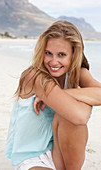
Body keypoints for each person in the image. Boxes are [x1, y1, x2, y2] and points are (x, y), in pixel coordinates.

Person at [5, 20, 101, 170]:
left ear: (74, 55)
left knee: (69, 114)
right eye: (48, 53)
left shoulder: (77, 74)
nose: (53, 62)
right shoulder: (35, 76)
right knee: (71, 111)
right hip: (32, 157)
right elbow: (81, 115)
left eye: (61, 55)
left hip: (60, 153)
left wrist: (64, 93)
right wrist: (84, 98)